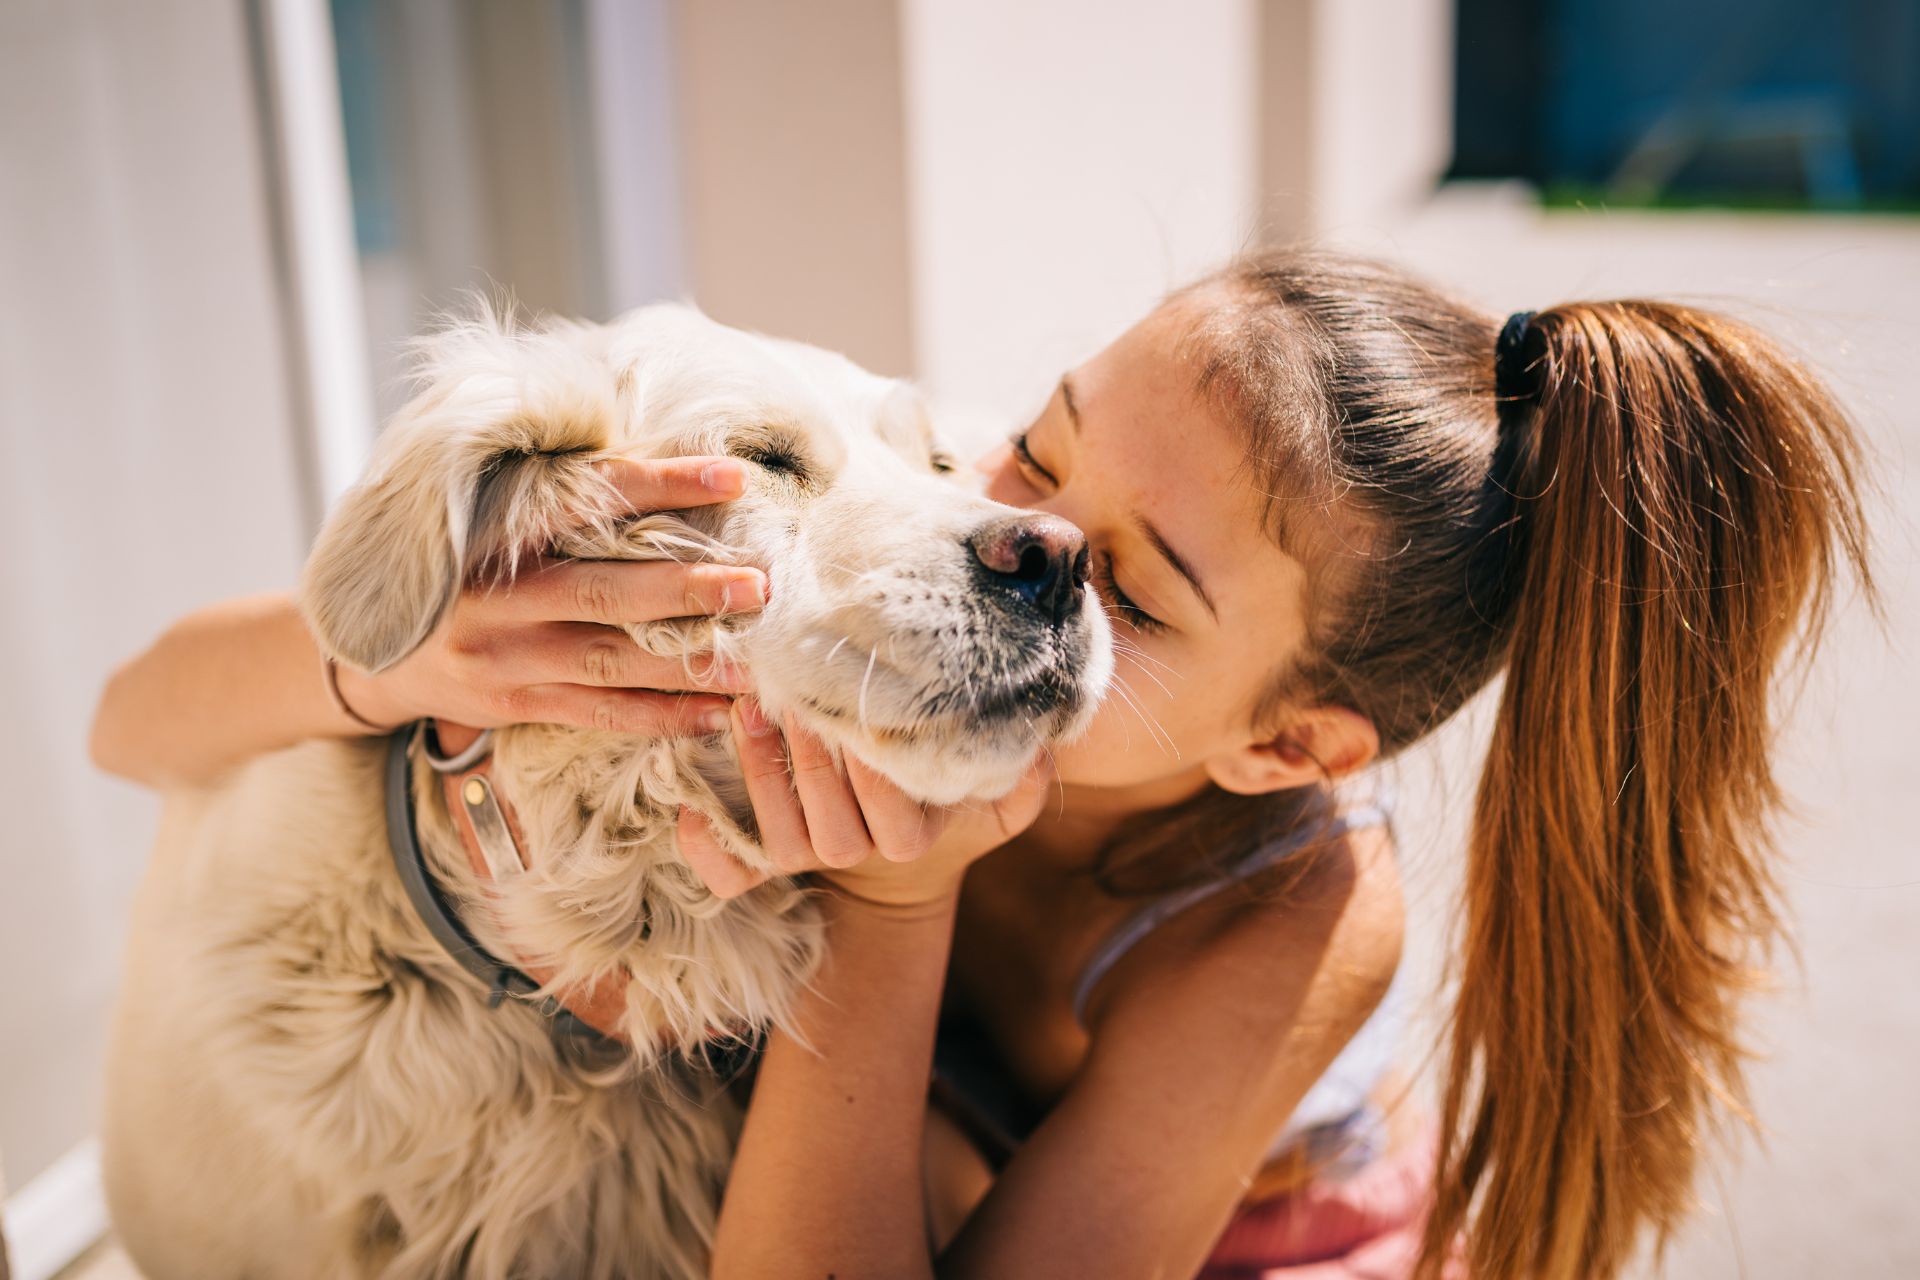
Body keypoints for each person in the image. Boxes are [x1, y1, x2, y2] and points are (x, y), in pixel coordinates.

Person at [91, 249, 1869, 1279]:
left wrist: (894, 895)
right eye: (1030, 442)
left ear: (1287, 744)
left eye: (1141, 595)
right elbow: (130, 726)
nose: (1013, 543)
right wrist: (384, 658)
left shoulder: (1293, 920)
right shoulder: (906, 565)